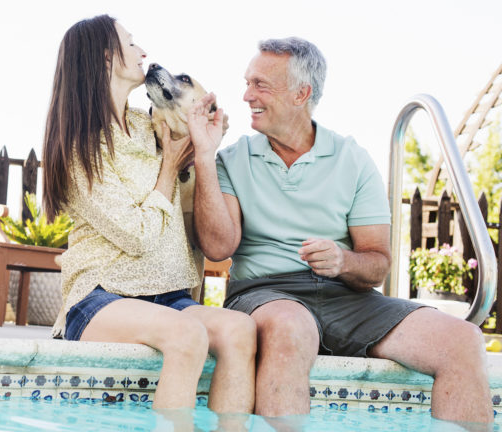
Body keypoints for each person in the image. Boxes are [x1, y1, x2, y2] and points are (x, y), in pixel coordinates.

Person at [188, 36, 492, 423]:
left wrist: (343, 261)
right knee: (291, 326)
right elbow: (217, 247)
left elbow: (377, 265)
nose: (247, 95)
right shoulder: (232, 159)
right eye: (248, 82)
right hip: (266, 294)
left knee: (463, 340)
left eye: (260, 84)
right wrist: (204, 154)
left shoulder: (352, 159)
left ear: (302, 93)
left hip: (347, 299)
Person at [40, 14, 256, 413]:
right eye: (131, 43)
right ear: (106, 58)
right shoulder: (80, 148)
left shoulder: (147, 125)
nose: (143, 52)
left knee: (239, 329)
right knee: (188, 334)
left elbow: (189, 124)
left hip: (167, 299)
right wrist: (169, 169)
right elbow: (138, 236)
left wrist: (207, 137)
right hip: (101, 297)